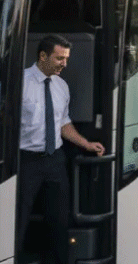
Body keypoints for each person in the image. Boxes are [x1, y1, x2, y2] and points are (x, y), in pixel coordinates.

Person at [17, 34, 105, 264]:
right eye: (59, 58)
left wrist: (86, 143)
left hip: (54, 160)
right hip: (25, 162)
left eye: (66, 58)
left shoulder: (61, 86)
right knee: (19, 220)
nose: (64, 64)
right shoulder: (19, 83)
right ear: (43, 55)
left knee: (59, 221)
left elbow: (63, 123)